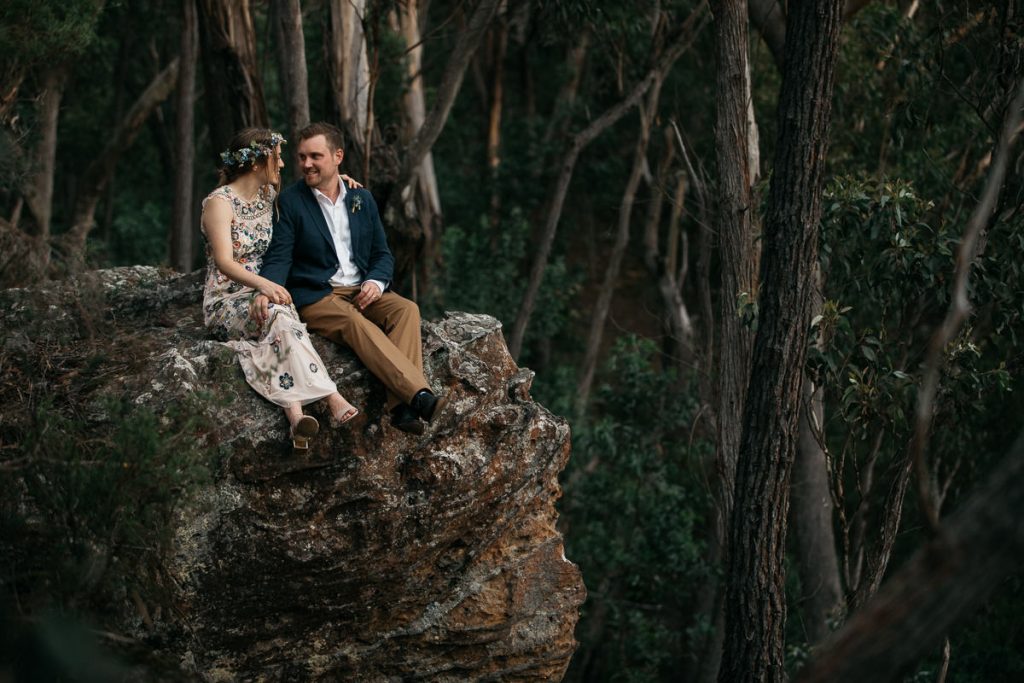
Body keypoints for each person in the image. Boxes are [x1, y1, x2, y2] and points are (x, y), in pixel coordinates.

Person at [256, 121, 448, 435]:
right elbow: (280, 254)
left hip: (361, 287)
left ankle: (400, 408)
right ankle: (420, 397)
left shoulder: (362, 199)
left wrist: (375, 282)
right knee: (355, 323)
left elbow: (382, 253)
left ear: (338, 156)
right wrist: (266, 288)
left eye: (315, 156)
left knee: (406, 310)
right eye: (302, 157)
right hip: (318, 295)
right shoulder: (291, 202)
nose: (306, 164)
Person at [200, 127, 359, 451]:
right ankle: (331, 396)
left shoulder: (269, 197)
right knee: (280, 316)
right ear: (257, 162)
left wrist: (345, 184)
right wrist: (266, 286)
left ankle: (296, 418)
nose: (284, 164)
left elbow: (312, 195)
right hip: (227, 297)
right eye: (278, 157)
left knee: (280, 321)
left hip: (265, 292)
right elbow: (224, 262)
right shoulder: (219, 203)